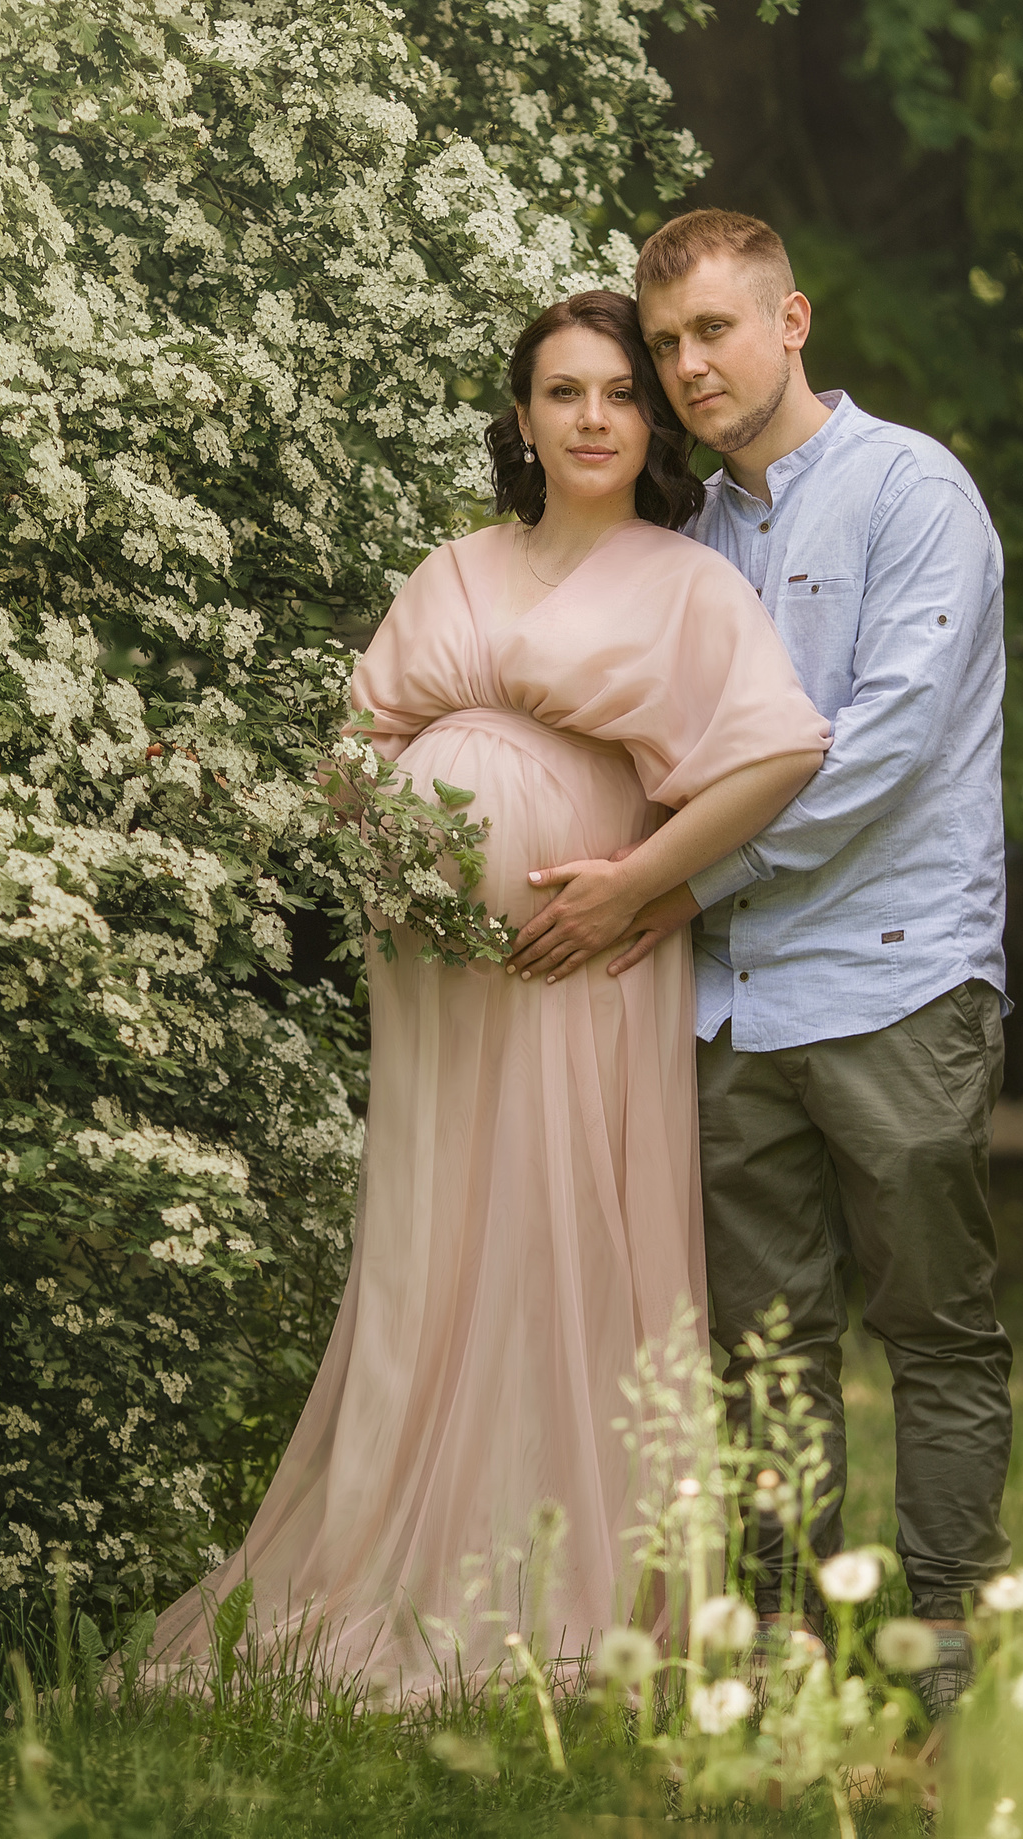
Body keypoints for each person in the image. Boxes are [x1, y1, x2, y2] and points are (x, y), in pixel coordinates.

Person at [147, 292, 830, 1693]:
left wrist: (635, 882)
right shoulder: (454, 567)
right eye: (563, 393)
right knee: (442, 1233)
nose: (592, 418)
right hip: (443, 981)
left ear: (651, 426)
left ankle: (572, 1582)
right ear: (520, 420)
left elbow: (779, 756)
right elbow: (359, 741)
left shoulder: (691, 582)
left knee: (563, 1227)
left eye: (619, 395)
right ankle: (394, 1554)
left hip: (583, 957)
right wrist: (401, 839)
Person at [577, 208, 1013, 1721]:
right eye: (670, 342)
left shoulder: (913, 494)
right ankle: (784, 1655)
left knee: (935, 1329)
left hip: (898, 977)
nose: (690, 365)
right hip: (731, 1001)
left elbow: (880, 752)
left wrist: (684, 873)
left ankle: (947, 1648)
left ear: (793, 321)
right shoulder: (688, 543)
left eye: (716, 331)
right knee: (766, 1355)